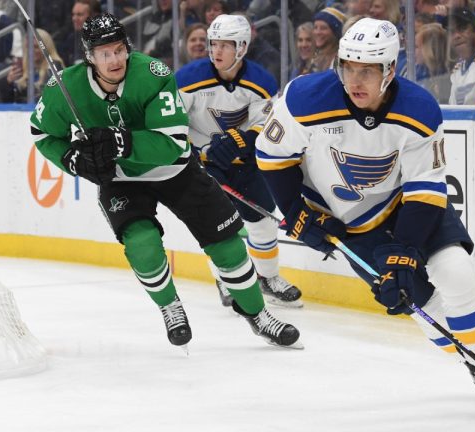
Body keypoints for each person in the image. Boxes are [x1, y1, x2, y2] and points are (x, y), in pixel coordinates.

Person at [255, 17, 475, 416]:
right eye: (348, 66)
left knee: (456, 271)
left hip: (406, 206)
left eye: (366, 70)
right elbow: (272, 158)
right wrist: (297, 214)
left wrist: (406, 248)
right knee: (414, 299)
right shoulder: (304, 98)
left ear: (389, 70)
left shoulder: (419, 109)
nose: (354, 80)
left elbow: (424, 188)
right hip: (349, 223)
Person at [29, 13, 301, 350]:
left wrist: (119, 141)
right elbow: (42, 133)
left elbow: (171, 142)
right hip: (122, 180)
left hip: (176, 170)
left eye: (119, 50)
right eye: (105, 54)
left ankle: (258, 315)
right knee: (142, 245)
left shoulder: (153, 75)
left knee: (228, 245)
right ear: (90, 57)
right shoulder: (65, 87)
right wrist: (71, 159)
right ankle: (170, 306)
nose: (115, 60)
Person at [175, 14, 304, 309]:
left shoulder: (261, 80)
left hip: (243, 163)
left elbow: (265, 125)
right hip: (202, 164)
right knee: (218, 225)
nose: (216, 51)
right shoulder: (188, 79)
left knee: (263, 222)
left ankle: (268, 278)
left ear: (242, 47)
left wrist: (240, 142)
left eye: (225, 45)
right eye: (213, 44)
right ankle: (225, 278)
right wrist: (195, 156)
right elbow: (173, 123)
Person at [5, 28, 64, 103]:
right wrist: (9, 84)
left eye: (36, 47)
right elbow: (9, 100)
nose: (31, 51)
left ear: (46, 48)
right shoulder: (26, 67)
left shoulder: (54, 65)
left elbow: (48, 97)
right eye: (28, 47)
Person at [55, 0, 102, 67]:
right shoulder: (71, 39)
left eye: (79, 14)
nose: (74, 18)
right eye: (73, 14)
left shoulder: (103, 40)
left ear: (94, 16)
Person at [311, 6, 346, 72]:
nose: (318, 32)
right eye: (315, 27)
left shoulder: (339, 61)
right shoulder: (315, 58)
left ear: (335, 33)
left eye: (323, 28)